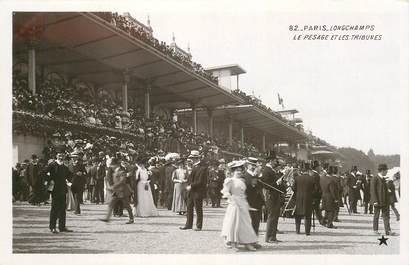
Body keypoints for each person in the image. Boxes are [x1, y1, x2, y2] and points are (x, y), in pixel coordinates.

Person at [221, 160, 259, 251]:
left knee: (245, 223)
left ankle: (247, 243)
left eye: (240, 170)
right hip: (234, 204)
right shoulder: (230, 180)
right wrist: (231, 199)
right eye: (237, 170)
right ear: (233, 171)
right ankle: (233, 243)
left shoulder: (242, 180)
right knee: (234, 223)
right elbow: (225, 192)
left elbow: (243, 194)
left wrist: (247, 204)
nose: (239, 172)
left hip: (242, 203)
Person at [44, 152, 73, 233]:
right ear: (56, 156)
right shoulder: (52, 165)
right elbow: (43, 173)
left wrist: (70, 181)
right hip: (55, 190)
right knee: (54, 209)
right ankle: (52, 227)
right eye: (59, 155)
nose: (61, 157)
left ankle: (62, 227)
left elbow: (70, 175)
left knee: (63, 209)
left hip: (63, 189)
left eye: (62, 155)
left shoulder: (64, 166)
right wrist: (50, 180)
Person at [180, 150, 208, 231]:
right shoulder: (193, 167)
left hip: (197, 191)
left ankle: (199, 226)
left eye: (192, 158)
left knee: (198, 208)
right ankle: (188, 224)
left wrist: (191, 186)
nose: (191, 160)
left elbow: (201, 181)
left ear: (196, 158)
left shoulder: (203, 168)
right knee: (189, 208)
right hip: (191, 191)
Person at [100, 158, 134, 224]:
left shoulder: (121, 171)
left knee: (127, 205)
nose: (111, 166)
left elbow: (122, 181)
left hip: (122, 191)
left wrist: (113, 186)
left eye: (112, 165)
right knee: (111, 204)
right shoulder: (116, 171)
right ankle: (107, 218)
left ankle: (131, 218)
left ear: (116, 165)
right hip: (117, 191)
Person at [260, 151, 283, 243]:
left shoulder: (270, 170)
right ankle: (268, 237)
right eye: (274, 160)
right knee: (272, 216)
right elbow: (266, 185)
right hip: (271, 196)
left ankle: (273, 236)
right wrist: (277, 183)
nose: (275, 162)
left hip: (275, 195)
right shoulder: (266, 170)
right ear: (270, 161)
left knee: (275, 216)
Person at [371, 164, 396, 236]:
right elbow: (373, 190)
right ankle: (375, 230)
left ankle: (388, 231)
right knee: (376, 216)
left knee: (386, 216)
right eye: (386, 170)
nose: (387, 171)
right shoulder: (375, 178)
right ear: (382, 170)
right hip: (378, 201)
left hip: (385, 201)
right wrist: (375, 200)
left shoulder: (384, 179)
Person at [293, 162, 315, 235]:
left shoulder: (297, 178)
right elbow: (315, 190)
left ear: (301, 170)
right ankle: (307, 232)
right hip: (308, 198)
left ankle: (297, 230)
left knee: (298, 215)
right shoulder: (312, 178)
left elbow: (293, 188)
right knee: (308, 215)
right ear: (308, 170)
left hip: (298, 198)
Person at [244, 157, 264, 235]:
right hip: (249, 202)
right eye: (251, 165)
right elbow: (245, 188)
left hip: (257, 202)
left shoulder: (257, 175)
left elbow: (261, 187)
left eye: (254, 165)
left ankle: (254, 240)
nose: (253, 167)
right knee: (249, 222)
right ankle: (248, 241)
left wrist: (259, 177)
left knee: (256, 222)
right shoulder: (245, 176)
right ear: (247, 165)